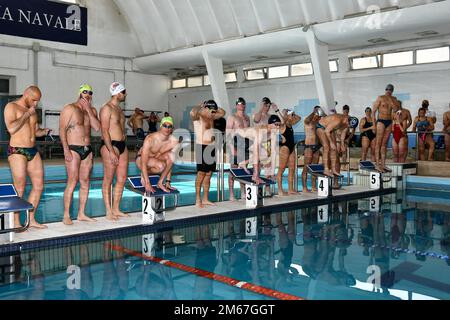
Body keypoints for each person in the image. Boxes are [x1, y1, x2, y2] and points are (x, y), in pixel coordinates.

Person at [4, 86, 51, 229]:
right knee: (20, 187)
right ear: (26, 94)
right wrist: (26, 114)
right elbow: (11, 129)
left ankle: (31, 219)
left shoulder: (33, 111)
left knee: (39, 186)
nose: (36, 104)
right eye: (34, 100)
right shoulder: (11, 107)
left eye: (38, 101)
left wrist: (43, 132)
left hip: (32, 150)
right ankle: (17, 222)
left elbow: (34, 131)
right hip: (17, 150)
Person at [59, 84, 101, 225]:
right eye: (85, 92)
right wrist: (65, 149)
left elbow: (97, 127)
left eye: (90, 92)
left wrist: (89, 110)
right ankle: (66, 215)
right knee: (72, 181)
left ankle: (81, 213)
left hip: (87, 149)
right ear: (79, 93)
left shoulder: (92, 110)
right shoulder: (70, 108)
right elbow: (62, 129)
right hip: (73, 148)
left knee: (85, 182)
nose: (87, 94)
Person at [100, 82, 129, 220]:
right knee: (108, 180)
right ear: (118, 93)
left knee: (122, 179)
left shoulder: (120, 110)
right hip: (110, 145)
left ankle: (116, 209)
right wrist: (110, 150)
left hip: (122, 145)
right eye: (124, 92)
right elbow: (104, 130)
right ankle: (108, 211)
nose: (125, 94)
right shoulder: (107, 108)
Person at [191, 100, 226, 208]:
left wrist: (214, 107)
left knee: (209, 174)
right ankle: (198, 199)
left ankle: (205, 198)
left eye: (214, 111)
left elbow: (223, 112)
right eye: (211, 110)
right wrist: (201, 105)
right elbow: (192, 112)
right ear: (205, 108)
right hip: (202, 147)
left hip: (212, 147)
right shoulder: (198, 116)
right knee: (201, 174)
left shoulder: (212, 117)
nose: (213, 112)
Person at [136, 117, 179, 193]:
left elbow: (170, 162)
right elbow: (143, 161)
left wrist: (168, 181)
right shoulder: (150, 139)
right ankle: (143, 173)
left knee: (171, 156)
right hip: (141, 159)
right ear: (160, 126)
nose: (167, 128)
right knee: (161, 166)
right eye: (165, 125)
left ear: (172, 128)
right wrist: (147, 182)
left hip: (155, 159)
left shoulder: (174, 141)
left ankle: (160, 183)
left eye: (169, 126)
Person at [227, 97, 251, 201]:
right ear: (236, 105)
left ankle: (243, 192)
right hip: (235, 143)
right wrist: (232, 148)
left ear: (245, 105)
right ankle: (231, 194)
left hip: (245, 144)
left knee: (243, 169)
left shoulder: (247, 118)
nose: (241, 105)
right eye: (239, 103)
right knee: (233, 169)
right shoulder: (232, 117)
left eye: (243, 103)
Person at [373, 84, 400, 172]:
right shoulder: (380, 98)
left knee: (384, 144)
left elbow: (396, 109)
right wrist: (374, 125)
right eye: (387, 89)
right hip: (380, 121)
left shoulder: (394, 99)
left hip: (389, 122)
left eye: (391, 89)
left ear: (392, 91)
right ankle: (377, 164)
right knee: (378, 143)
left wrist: (391, 101)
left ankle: (383, 165)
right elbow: (373, 112)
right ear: (385, 89)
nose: (389, 91)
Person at [316, 113, 349, 177]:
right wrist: (331, 143)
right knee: (326, 147)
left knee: (334, 149)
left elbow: (343, 134)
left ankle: (333, 169)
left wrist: (342, 145)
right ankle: (326, 169)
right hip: (321, 127)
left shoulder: (346, 122)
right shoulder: (338, 120)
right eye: (347, 123)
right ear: (346, 119)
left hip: (330, 129)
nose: (347, 125)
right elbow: (326, 131)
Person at [277, 109, 301, 196]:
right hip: (285, 148)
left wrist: (293, 113)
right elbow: (282, 120)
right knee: (281, 170)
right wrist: (284, 113)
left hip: (292, 147)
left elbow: (299, 118)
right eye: (291, 115)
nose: (293, 116)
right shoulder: (283, 125)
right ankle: (280, 190)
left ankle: (291, 189)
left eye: (292, 115)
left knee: (292, 168)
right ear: (287, 116)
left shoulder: (290, 124)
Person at [302, 106, 323, 192]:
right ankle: (304, 187)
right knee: (306, 167)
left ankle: (314, 186)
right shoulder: (308, 121)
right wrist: (313, 112)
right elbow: (306, 120)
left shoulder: (318, 122)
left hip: (317, 146)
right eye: (316, 111)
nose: (318, 113)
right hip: (309, 147)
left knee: (315, 167)